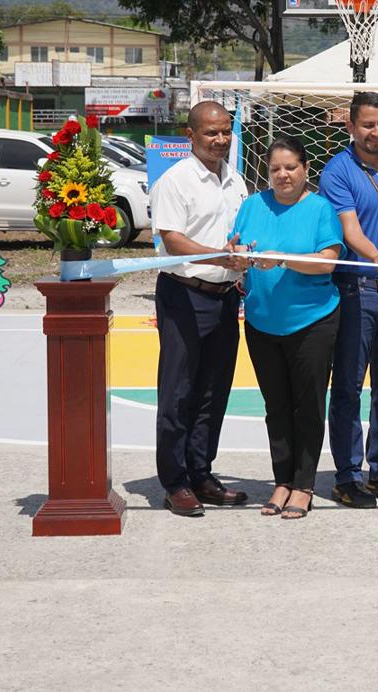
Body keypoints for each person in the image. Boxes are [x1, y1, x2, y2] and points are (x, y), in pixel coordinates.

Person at [232, 136, 344, 520]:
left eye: (291, 167)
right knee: (275, 406)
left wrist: (282, 259)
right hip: (262, 323)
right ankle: (281, 480)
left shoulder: (319, 209)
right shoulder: (250, 207)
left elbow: (328, 262)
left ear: (305, 170)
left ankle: (304, 485)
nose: (283, 175)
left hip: (312, 322)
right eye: (275, 168)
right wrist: (237, 258)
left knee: (308, 405)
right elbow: (239, 253)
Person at [149, 101, 249, 518]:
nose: (220, 140)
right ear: (190, 136)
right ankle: (175, 483)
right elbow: (172, 241)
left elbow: (241, 237)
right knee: (179, 393)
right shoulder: (175, 181)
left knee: (213, 393)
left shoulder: (237, 181)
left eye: (226, 131)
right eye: (211, 133)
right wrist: (219, 257)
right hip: (184, 296)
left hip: (226, 299)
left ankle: (201, 472)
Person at [319, 92, 378, 508]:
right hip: (355, 290)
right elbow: (349, 228)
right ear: (351, 127)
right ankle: (347, 475)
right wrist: (373, 256)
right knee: (347, 388)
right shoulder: (336, 171)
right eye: (368, 125)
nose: (376, 132)